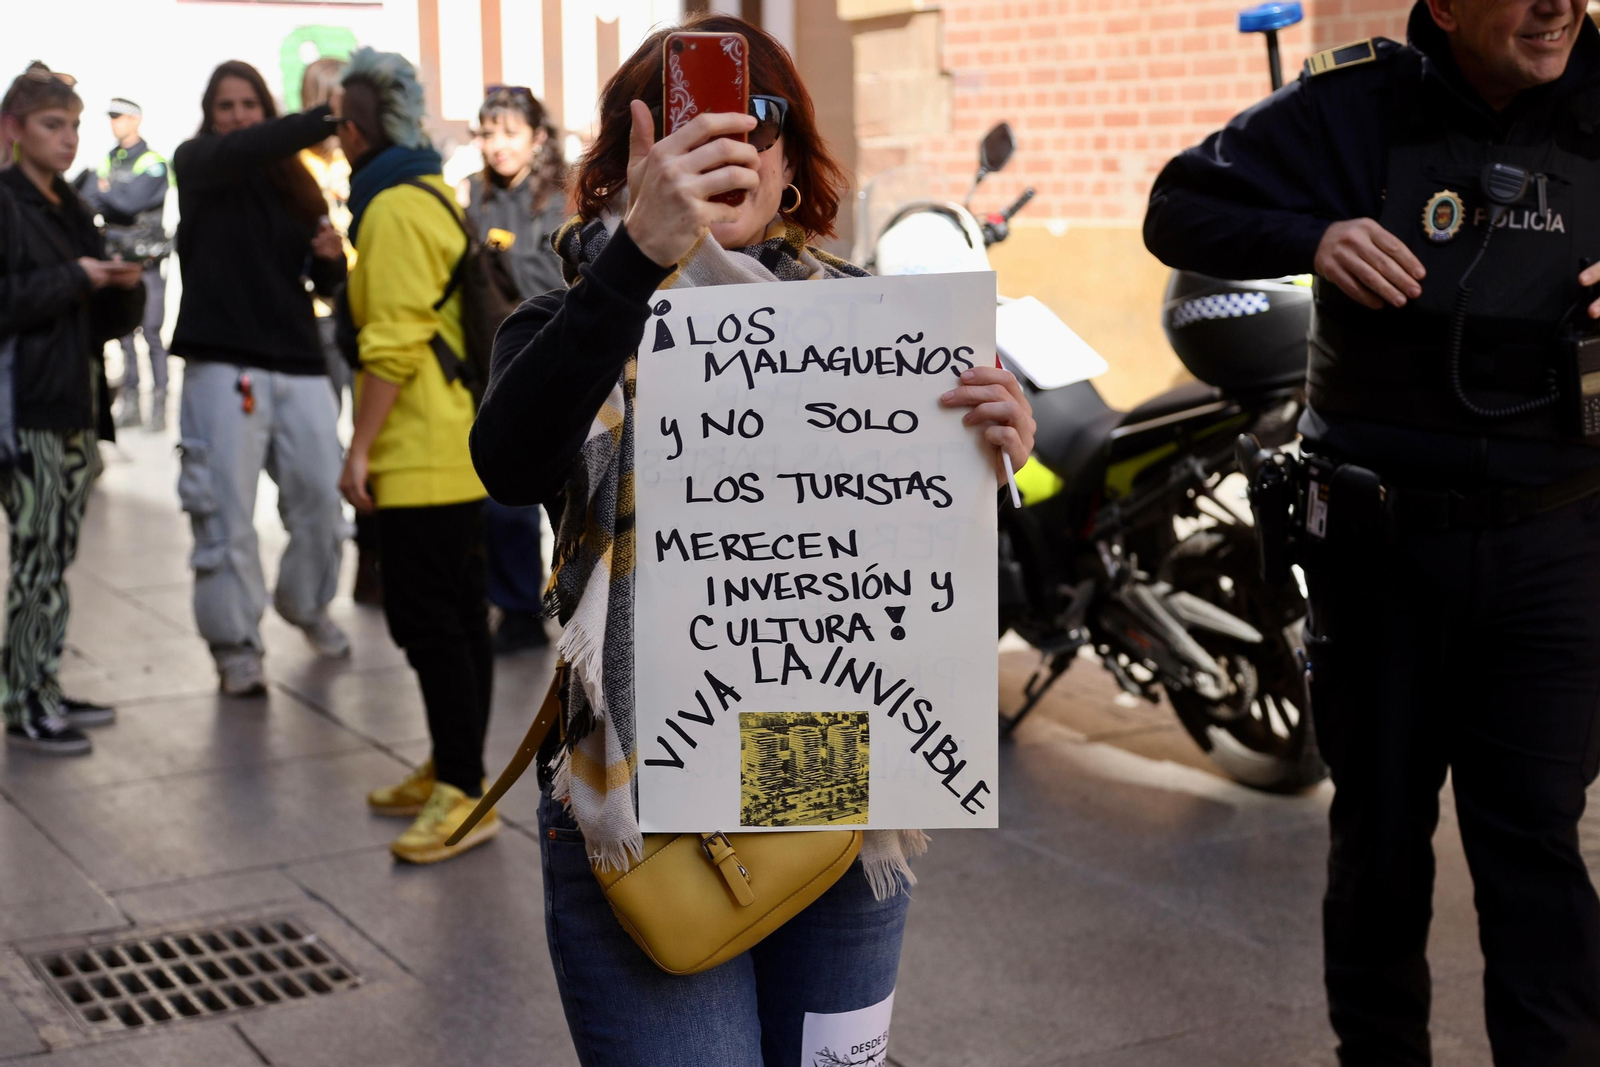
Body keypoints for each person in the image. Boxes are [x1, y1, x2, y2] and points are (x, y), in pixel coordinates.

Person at [469, 17, 1034, 1065]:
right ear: (625, 164)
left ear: (792, 163)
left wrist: (986, 452)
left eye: (755, 117)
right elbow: (507, 462)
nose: (728, 143)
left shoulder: (879, 325)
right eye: (683, 122)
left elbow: (913, 583)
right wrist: (636, 262)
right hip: (650, 792)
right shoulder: (564, 318)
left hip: (837, 777)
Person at [1144, 1, 1600, 1063]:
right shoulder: (1351, 108)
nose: (1557, 6)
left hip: (1552, 547)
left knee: (1535, 847)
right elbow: (1178, 207)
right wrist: (1308, 235)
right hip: (1377, 551)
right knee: (1380, 844)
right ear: (1444, 3)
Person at [332, 48, 496, 865]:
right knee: (459, 619)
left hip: (421, 449)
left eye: (336, 126)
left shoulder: (393, 207)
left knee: (429, 623)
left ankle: (463, 791)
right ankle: (454, 763)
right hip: (451, 439)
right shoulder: (432, 188)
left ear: (355, 131)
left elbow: (393, 345)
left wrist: (358, 450)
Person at [170, 61, 351, 697]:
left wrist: (329, 264)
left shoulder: (295, 184)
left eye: (250, 103)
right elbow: (248, 146)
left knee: (322, 504)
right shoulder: (196, 164)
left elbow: (322, 284)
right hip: (223, 362)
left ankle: (305, 603)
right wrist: (320, 119)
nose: (240, 115)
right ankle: (236, 648)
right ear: (210, 114)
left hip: (299, 362)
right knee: (224, 514)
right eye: (227, 105)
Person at [0, 63, 144, 754]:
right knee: (34, 558)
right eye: (53, 125)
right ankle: (21, 699)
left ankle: (44, 684)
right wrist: (74, 277)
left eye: (74, 126)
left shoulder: (69, 207)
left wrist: (123, 286)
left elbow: (105, 322)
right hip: (24, 409)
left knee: (56, 556)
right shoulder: (6, 203)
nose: (67, 139)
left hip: (76, 403)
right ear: (14, 129)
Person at [463, 85, 569, 654]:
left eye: (510, 132)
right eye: (487, 133)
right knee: (503, 498)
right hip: (497, 365)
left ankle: (574, 605)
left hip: (562, 360)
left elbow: (555, 281)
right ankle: (519, 608)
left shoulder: (564, 196)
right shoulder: (474, 197)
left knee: (570, 496)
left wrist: (504, 253)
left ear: (538, 136)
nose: (497, 145)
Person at [78, 98, 171, 432]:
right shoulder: (108, 160)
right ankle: (130, 403)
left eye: (120, 117)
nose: (115, 123)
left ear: (136, 119)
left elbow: (132, 201)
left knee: (153, 334)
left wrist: (110, 192)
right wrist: (113, 192)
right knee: (125, 337)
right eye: (112, 118)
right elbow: (88, 197)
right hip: (116, 257)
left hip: (145, 261)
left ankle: (159, 403)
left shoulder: (154, 161)